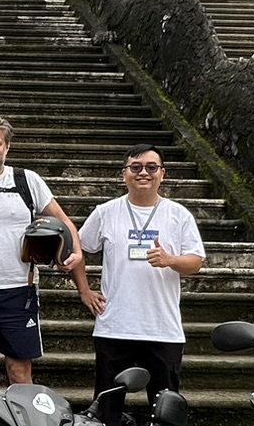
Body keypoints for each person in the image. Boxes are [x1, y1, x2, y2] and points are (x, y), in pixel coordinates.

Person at [0, 114, 84, 387]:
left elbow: (65, 222)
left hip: (18, 289)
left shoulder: (27, 181)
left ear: (7, 147)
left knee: (18, 372)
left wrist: (74, 251)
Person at [75, 141, 207, 406]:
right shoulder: (106, 212)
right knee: (107, 405)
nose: (143, 173)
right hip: (115, 325)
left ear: (162, 173)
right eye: (135, 167)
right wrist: (84, 291)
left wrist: (170, 260)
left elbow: (195, 262)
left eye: (151, 167)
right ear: (124, 173)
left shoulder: (178, 215)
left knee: (165, 407)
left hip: (162, 328)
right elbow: (76, 249)